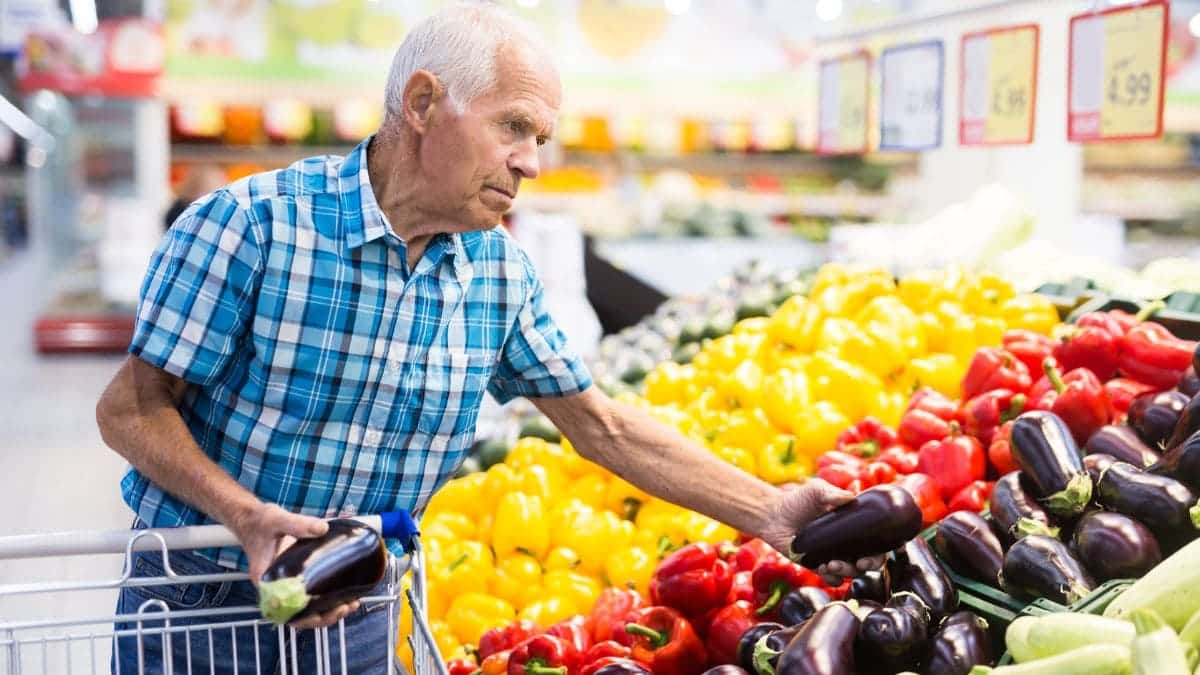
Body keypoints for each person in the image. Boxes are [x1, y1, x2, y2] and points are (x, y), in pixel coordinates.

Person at [95, 3, 879, 673]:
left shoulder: (498, 274)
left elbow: (599, 425)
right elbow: (130, 409)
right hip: (203, 607)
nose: (532, 164)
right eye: (515, 128)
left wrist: (773, 510)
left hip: (361, 614)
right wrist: (249, 516)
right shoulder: (251, 227)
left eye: (540, 138)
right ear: (425, 102)